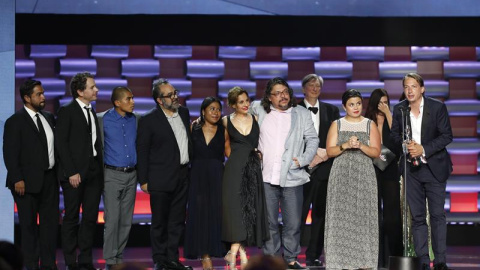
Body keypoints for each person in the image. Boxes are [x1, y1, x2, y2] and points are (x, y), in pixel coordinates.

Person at [250, 77, 319, 270]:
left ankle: (290, 258)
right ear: (269, 97)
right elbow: (237, 116)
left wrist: (303, 160)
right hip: (266, 176)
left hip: (293, 176)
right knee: (270, 223)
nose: (283, 96)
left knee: (293, 223)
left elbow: (313, 139)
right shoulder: (259, 109)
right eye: (278, 93)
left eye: (286, 92)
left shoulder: (301, 113)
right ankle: (272, 259)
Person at [391, 73, 453, 270]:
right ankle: (424, 261)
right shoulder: (399, 109)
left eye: (414, 86)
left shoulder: (437, 107)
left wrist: (423, 148)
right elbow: (392, 136)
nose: (410, 90)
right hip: (411, 171)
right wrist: (404, 145)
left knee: (436, 215)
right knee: (417, 218)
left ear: (422, 89)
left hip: (434, 168)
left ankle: (441, 261)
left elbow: (446, 136)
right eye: (406, 87)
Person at [136, 78, 192, 270]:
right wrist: (143, 180)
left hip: (183, 176)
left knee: (177, 221)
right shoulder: (148, 119)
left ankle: (173, 259)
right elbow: (142, 151)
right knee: (160, 222)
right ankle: (160, 260)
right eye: (170, 95)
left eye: (175, 93)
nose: (175, 97)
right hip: (160, 178)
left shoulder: (183, 113)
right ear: (160, 100)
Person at [3, 79, 59, 270]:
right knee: (28, 227)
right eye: (38, 94)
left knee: (49, 226)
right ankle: (30, 265)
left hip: (49, 180)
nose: (43, 97)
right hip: (25, 183)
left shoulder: (49, 117)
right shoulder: (15, 121)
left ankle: (49, 264)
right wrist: (17, 178)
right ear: (27, 98)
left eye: (43, 93)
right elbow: (10, 153)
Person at [324, 89, 381, 269]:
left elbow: (376, 152)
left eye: (358, 103)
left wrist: (361, 145)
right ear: (344, 106)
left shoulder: (369, 124)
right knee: (340, 217)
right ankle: (339, 261)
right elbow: (330, 151)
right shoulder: (337, 124)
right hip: (341, 175)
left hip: (364, 174)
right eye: (351, 104)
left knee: (363, 217)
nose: (355, 107)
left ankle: (365, 261)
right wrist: (346, 145)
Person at [56, 71, 104, 270]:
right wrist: (71, 171)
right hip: (75, 174)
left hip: (94, 172)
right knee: (72, 217)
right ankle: (70, 261)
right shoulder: (67, 111)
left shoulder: (92, 110)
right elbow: (61, 144)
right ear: (79, 91)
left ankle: (85, 259)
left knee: (91, 217)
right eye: (92, 87)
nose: (96, 90)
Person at [222, 87, 269, 270]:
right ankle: (236, 253)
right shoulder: (226, 121)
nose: (246, 104)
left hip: (253, 170)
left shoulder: (256, 119)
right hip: (234, 169)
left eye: (247, 101)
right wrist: (236, 160)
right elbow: (226, 146)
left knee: (249, 209)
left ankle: (236, 253)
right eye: (241, 102)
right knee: (234, 211)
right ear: (233, 104)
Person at [298, 74, 340, 267]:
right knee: (297, 214)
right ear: (303, 88)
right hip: (300, 171)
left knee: (320, 216)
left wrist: (324, 154)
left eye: (318, 86)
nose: (314, 88)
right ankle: (291, 253)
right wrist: (307, 157)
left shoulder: (331, 111)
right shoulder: (293, 110)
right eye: (311, 85)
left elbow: (337, 137)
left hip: (324, 170)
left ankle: (313, 254)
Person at [97, 87, 138, 270]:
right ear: (117, 102)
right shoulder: (102, 119)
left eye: (132, 98)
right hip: (111, 175)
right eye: (128, 99)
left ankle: (118, 257)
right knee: (112, 219)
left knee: (126, 220)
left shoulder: (136, 120)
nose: (132, 102)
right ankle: (110, 260)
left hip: (132, 175)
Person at [184, 97, 227, 269]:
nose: (216, 112)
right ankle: (204, 255)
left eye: (218, 109)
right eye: (212, 109)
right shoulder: (193, 128)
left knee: (215, 214)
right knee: (199, 214)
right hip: (197, 175)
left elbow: (230, 152)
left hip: (217, 175)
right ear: (203, 111)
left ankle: (215, 250)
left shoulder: (223, 131)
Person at [364, 88, 403, 267]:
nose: (383, 105)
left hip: (390, 171)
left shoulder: (393, 120)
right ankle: (373, 257)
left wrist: (388, 113)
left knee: (392, 216)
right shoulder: (366, 121)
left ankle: (394, 255)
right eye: (380, 102)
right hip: (371, 169)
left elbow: (398, 140)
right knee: (372, 215)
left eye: (386, 102)